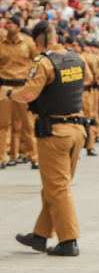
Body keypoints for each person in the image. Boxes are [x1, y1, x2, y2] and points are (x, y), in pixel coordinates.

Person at [9, 20, 90, 256]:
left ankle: (68, 241)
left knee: (58, 187)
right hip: (77, 130)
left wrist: (7, 92)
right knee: (55, 187)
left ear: (36, 42)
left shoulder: (44, 62)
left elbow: (27, 94)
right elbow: (89, 78)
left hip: (54, 132)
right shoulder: (76, 57)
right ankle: (41, 235)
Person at [0, 14, 39, 168]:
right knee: (3, 124)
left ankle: (34, 157)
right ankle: (2, 157)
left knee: (28, 124)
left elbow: (36, 64)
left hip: (23, 86)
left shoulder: (28, 43)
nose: (9, 25)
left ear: (18, 26)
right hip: (4, 87)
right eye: (7, 23)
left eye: (12, 23)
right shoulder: (1, 44)